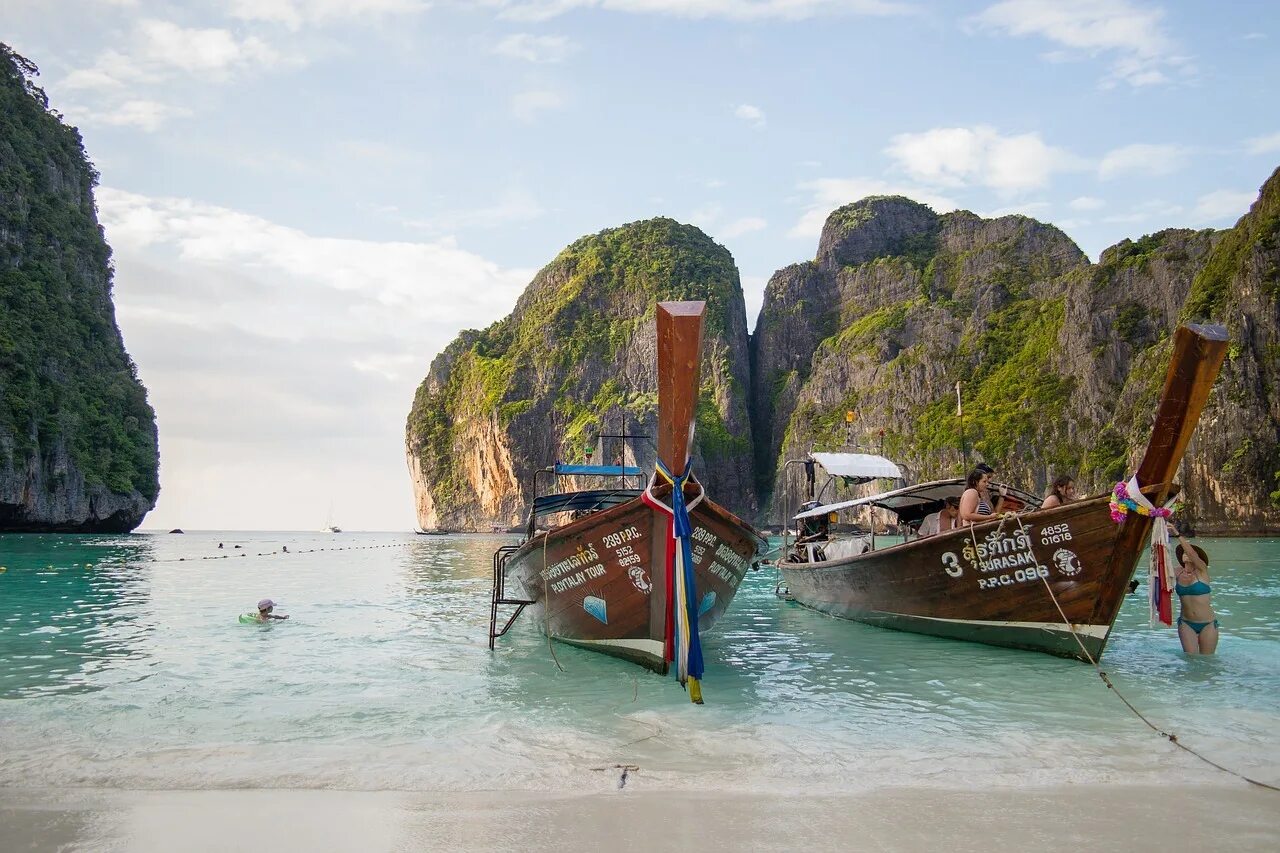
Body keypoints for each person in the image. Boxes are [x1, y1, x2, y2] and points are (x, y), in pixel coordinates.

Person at [1168, 525, 1217, 654]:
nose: (1186, 554)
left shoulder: (1202, 571)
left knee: (1206, 661)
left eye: (1188, 552)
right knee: (1191, 660)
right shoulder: (1177, 572)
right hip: (1186, 623)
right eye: (1183, 552)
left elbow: (1191, 553)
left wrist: (1177, 534)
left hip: (1207, 623)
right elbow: (1158, 570)